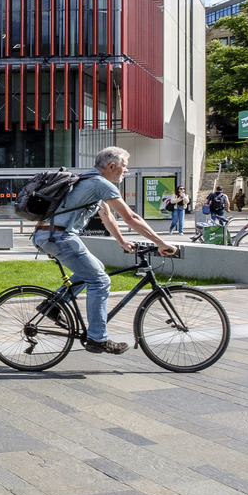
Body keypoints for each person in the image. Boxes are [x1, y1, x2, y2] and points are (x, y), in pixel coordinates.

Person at [33, 147, 177, 354]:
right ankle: (97, 338)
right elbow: (131, 217)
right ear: (112, 166)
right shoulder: (100, 183)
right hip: (59, 236)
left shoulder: (89, 180)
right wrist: (161, 242)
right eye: (124, 166)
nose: (126, 171)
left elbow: (107, 215)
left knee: (95, 268)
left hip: (50, 234)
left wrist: (122, 242)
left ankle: (53, 306)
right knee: (100, 280)